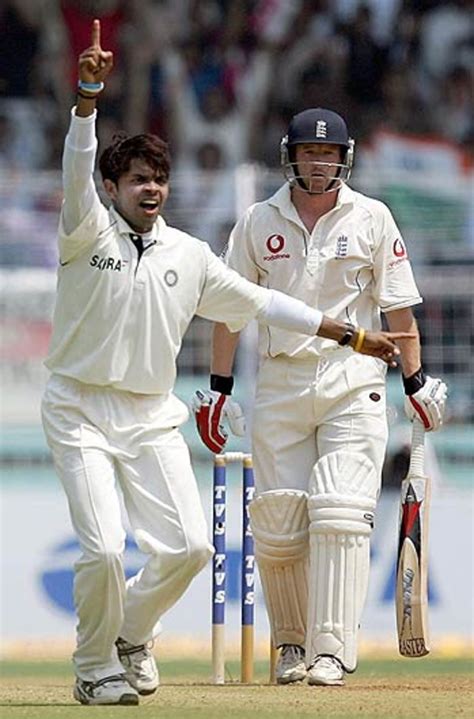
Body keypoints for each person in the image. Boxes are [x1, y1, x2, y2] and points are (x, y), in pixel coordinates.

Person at [40, 24, 410, 706]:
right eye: (136, 180)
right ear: (112, 188)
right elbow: (75, 162)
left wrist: (351, 336)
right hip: (80, 408)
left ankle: (129, 634)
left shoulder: (189, 254)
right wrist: (87, 98)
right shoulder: (84, 230)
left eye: (158, 180)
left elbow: (267, 302)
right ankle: (94, 665)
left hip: (151, 414)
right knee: (101, 548)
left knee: (188, 549)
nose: (150, 189)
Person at [193, 107, 447, 687]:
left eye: (329, 153)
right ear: (292, 155)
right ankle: (290, 644)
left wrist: (414, 379)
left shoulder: (373, 218)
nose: (319, 161)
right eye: (310, 151)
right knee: (280, 520)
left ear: (344, 157)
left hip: (353, 377)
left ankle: (331, 650)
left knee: (338, 510)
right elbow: (232, 311)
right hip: (280, 378)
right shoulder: (258, 221)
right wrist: (218, 390)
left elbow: (398, 309)